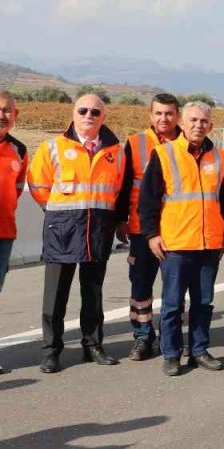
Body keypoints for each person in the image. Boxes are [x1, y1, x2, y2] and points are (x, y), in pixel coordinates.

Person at [27, 94, 131, 373]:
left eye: (95, 112)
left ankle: (93, 346)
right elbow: (38, 185)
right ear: (73, 114)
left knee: (93, 293)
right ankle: (51, 351)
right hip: (62, 229)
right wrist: (57, 213)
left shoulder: (116, 152)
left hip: (97, 229)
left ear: (103, 118)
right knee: (55, 295)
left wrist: (115, 221)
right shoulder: (53, 147)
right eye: (83, 110)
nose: (89, 115)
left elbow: (119, 190)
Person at [138, 102, 224, 376]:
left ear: (211, 126)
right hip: (175, 244)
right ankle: (171, 353)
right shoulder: (165, 154)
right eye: (193, 120)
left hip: (208, 245)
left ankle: (199, 350)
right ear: (181, 123)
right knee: (172, 304)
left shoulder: (219, 158)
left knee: (203, 303)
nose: (198, 125)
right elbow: (148, 201)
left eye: (204, 121)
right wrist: (151, 235)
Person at [119, 93, 181, 361]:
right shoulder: (135, 143)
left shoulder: (187, 141)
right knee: (141, 285)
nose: (163, 118)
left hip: (177, 230)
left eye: (168, 113)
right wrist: (120, 219)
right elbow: (122, 186)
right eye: (158, 113)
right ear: (150, 115)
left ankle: (170, 336)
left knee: (174, 287)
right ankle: (143, 336)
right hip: (141, 229)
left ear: (177, 115)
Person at [0, 91, 25, 375]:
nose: (2, 115)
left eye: (7, 110)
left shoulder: (19, 150)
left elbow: (17, 192)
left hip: (4, 234)